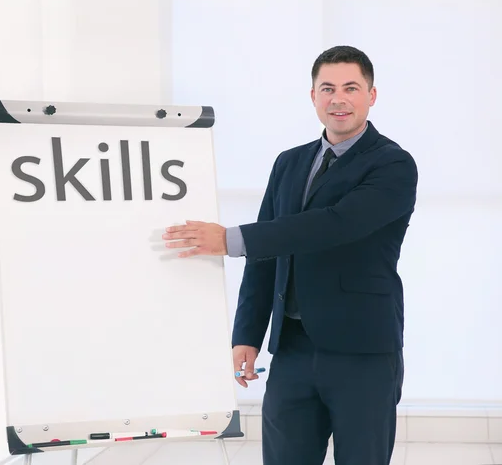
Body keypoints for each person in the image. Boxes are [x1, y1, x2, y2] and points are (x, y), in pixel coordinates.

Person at [162, 45, 418, 465]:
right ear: (313, 95)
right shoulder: (289, 163)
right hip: (293, 350)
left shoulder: (393, 165)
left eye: (351, 88)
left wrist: (229, 239)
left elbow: (336, 224)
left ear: (371, 95)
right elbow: (269, 256)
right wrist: (247, 333)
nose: (339, 98)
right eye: (328, 88)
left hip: (363, 352)